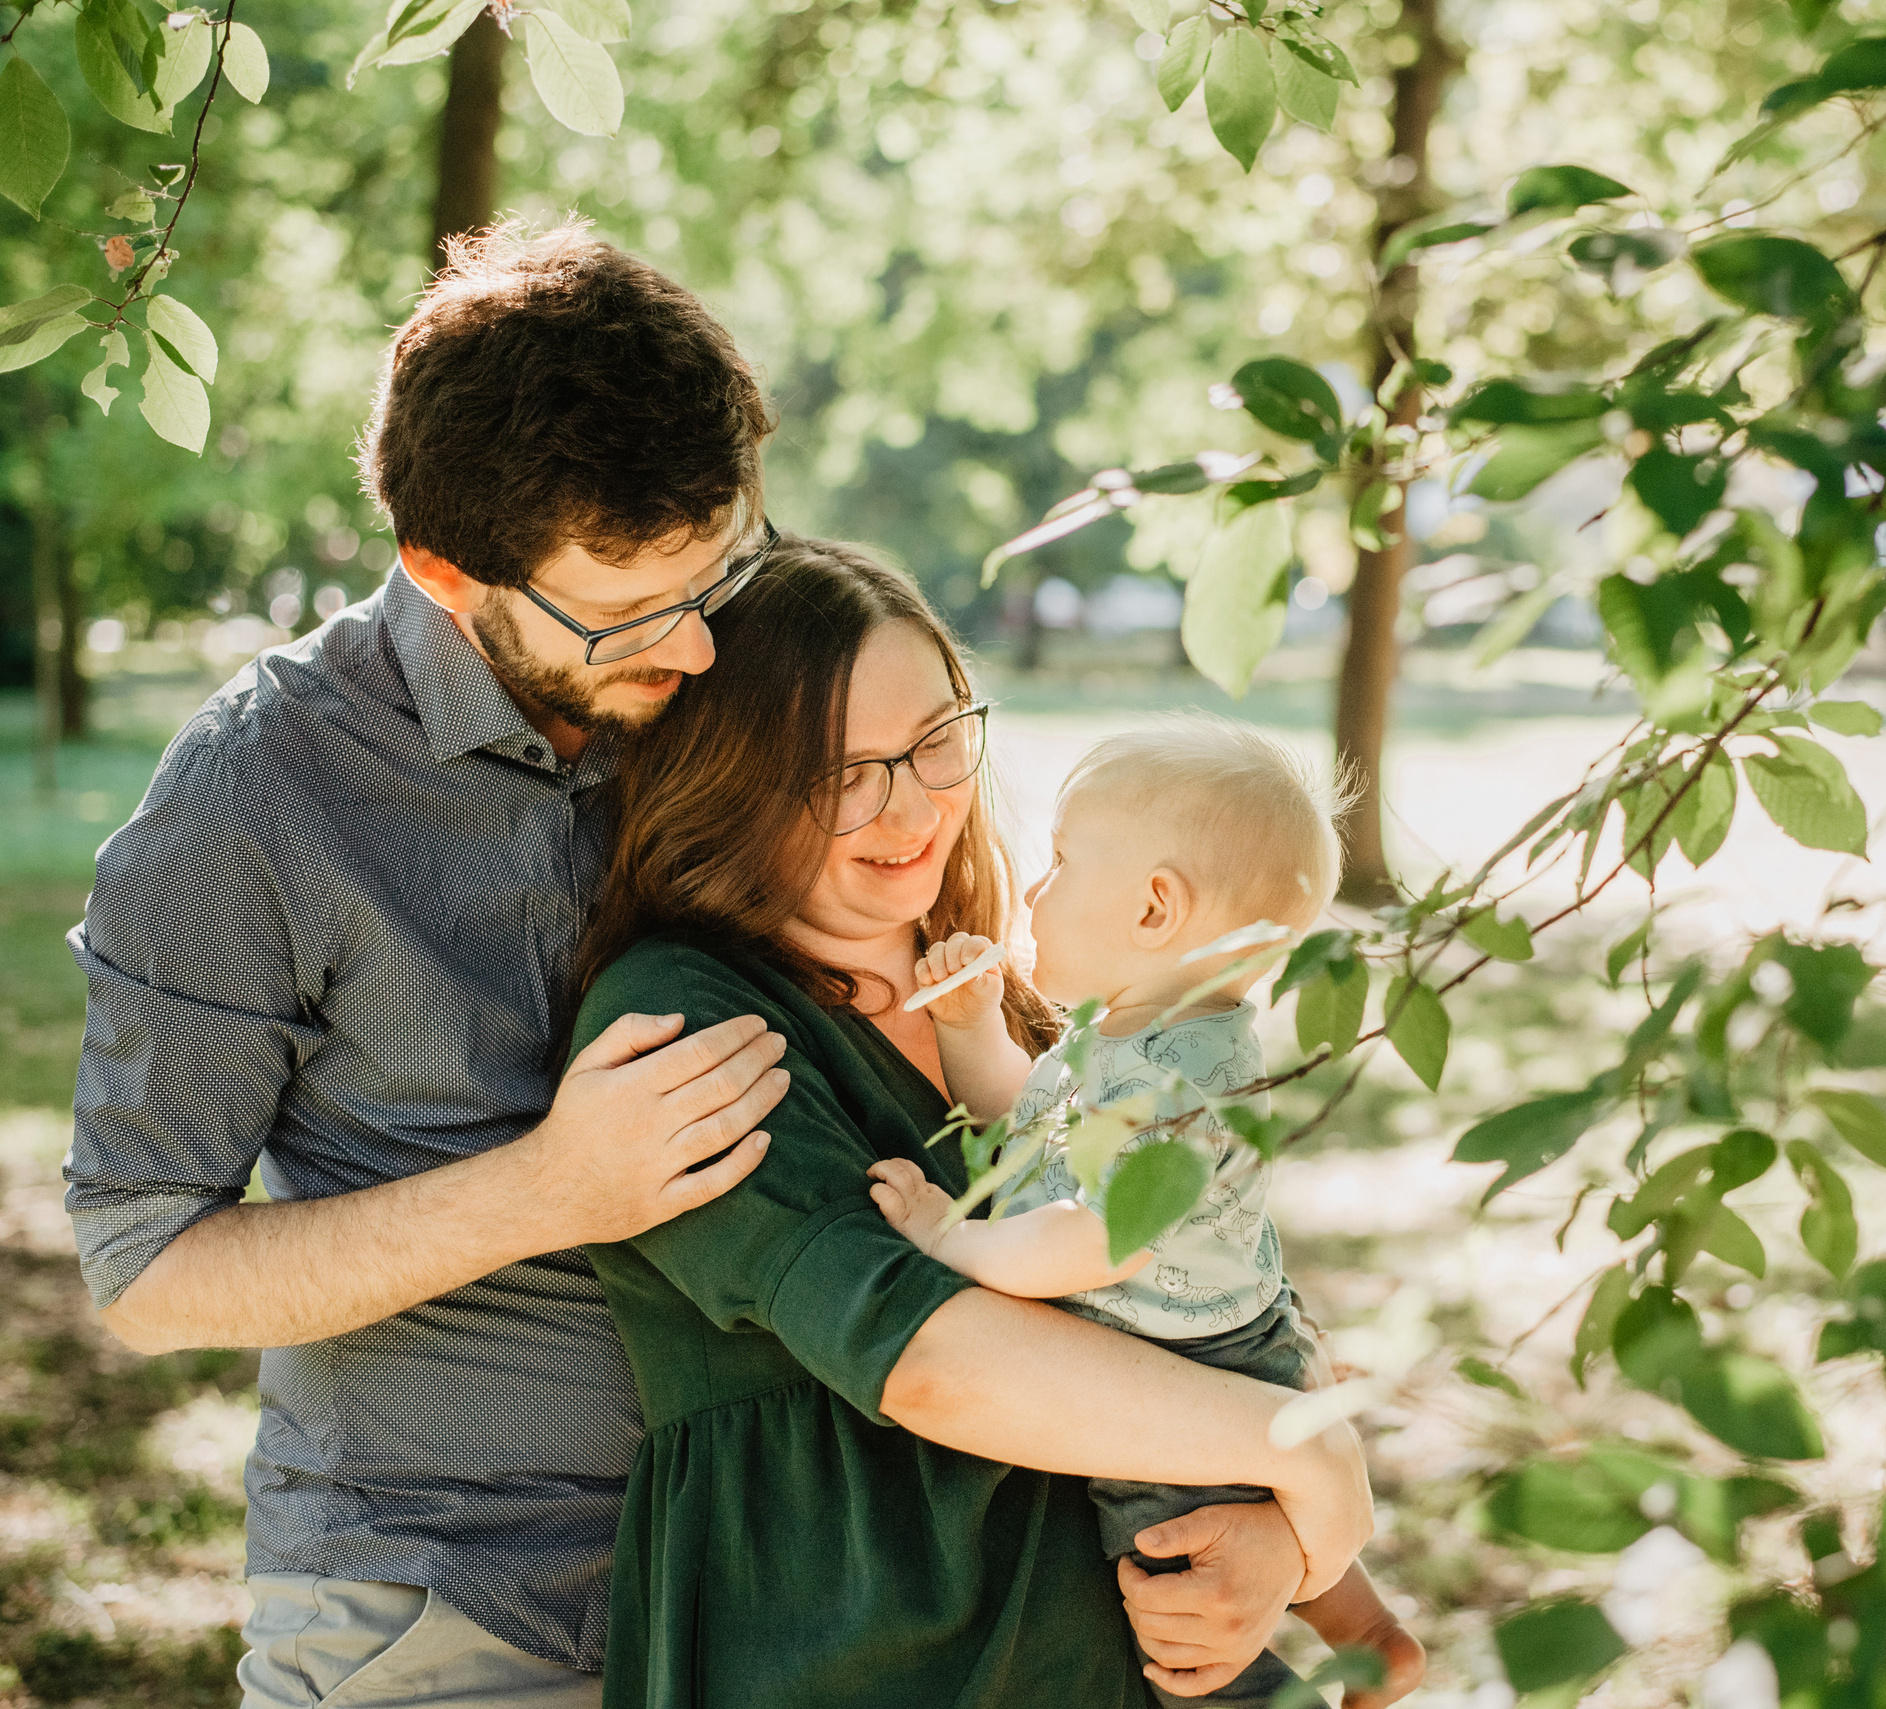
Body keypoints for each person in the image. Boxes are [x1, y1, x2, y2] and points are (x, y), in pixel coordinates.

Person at [64, 225, 793, 1709]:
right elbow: (145, 1270)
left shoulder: (733, 675)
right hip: (449, 1602)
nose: (702, 650)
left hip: (785, 1571)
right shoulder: (254, 795)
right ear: (448, 571)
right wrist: (552, 1190)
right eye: (634, 607)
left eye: (714, 577)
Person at [567, 537, 1398, 1709]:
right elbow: (929, 1359)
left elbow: (1185, 1289)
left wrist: (1272, 1544)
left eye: (934, 741)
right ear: (734, 775)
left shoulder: (1022, 998)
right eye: (840, 769)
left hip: (1117, 1651)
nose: (909, 805)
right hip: (871, 1660)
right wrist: (1294, 1449)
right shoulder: (685, 1012)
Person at [866, 717, 1425, 1709]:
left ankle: (1240, 1690)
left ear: (1155, 907)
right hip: (1233, 1339)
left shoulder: (1180, 1082)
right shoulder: (1134, 1037)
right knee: (1253, 1507)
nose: (1033, 891)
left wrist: (953, 1236)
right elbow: (1034, 1132)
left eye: (1062, 862)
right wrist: (969, 1024)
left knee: (1175, 1582)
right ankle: (1369, 1635)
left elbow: (1089, 1239)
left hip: (1186, 1359)